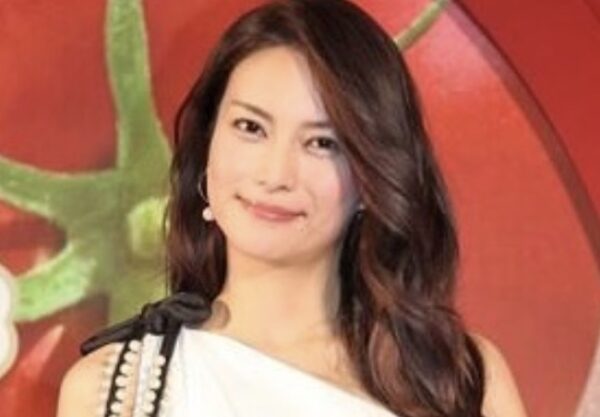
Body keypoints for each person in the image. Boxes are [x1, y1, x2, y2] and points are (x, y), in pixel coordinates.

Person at [57, 0, 528, 416]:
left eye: (322, 143)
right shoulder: (116, 389)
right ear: (207, 148)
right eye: (251, 128)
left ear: (371, 177)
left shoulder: (457, 378)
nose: (276, 174)